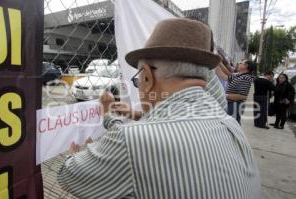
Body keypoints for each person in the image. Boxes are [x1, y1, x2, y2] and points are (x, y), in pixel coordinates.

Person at [57, 18, 260, 199]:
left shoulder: (131, 141)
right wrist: (116, 115)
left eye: (138, 80)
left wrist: (75, 156)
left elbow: (67, 175)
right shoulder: (230, 124)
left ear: (146, 76)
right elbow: (170, 119)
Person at [216, 59, 255, 124]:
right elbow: (225, 76)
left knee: (232, 126)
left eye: (241, 63)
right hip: (231, 104)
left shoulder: (246, 78)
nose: (238, 64)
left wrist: (225, 95)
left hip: (235, 105)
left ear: (245, 66)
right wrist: (216, 63)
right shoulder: (239, 75)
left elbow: (243, 96)